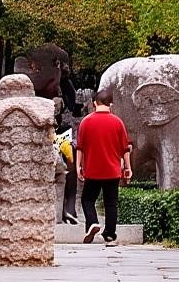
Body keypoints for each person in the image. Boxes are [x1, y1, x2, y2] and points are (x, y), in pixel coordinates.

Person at [75, 87, 131, 246]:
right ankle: (110, 236)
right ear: (110, 104)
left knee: (87, 200)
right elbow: (125, 149)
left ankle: (92, 222)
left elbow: (80, 147)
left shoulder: (86, 122)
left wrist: (78, 166)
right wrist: (128, 167)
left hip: (92, 170)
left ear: (94, 103)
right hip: (112, 171)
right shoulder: (118, 122)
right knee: (111, 203)